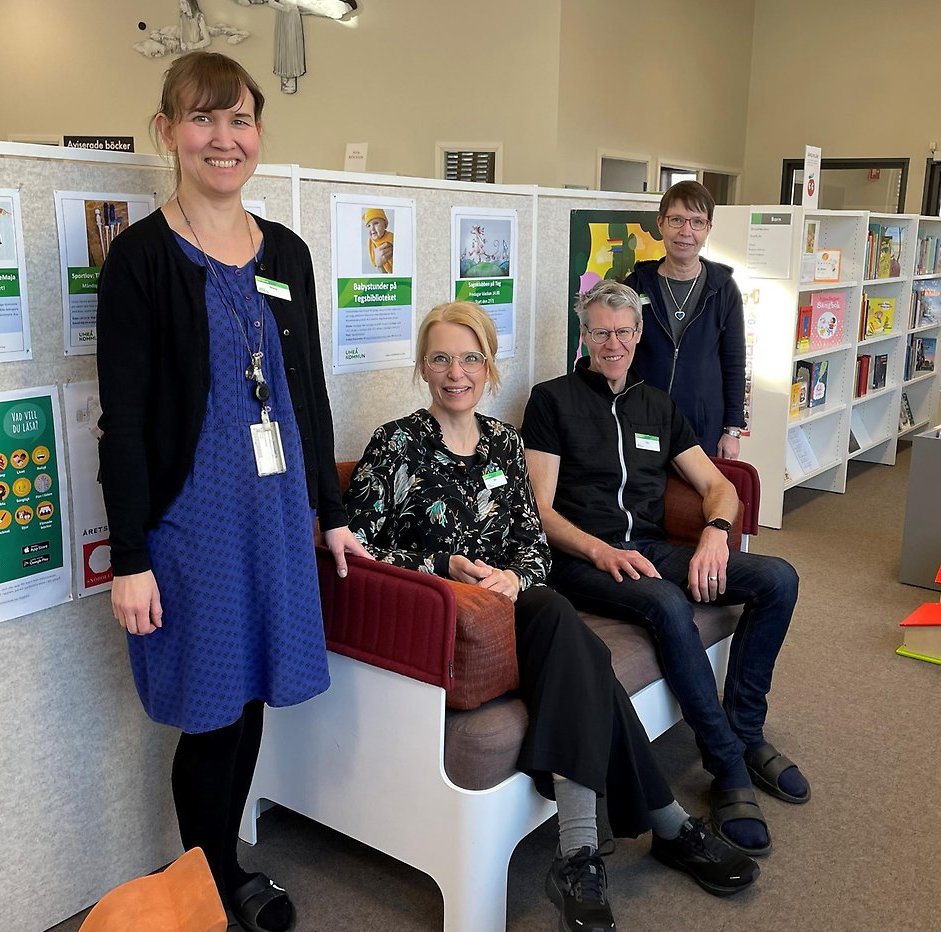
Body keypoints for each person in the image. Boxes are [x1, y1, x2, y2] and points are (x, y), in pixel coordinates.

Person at [343, 300, 758, 932]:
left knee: (560, 625)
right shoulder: (397, 443)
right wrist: (445, 565)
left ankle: (580, 857)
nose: (457, 372)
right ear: (424, 368)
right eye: (441, 358)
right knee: (583, 653)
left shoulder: (505, 445)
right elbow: (360, 548)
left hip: (516, 605)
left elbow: (532, 547)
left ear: (490, 368)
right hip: (446, 619)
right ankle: (660, 828)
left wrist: (514, 575)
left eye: (471, 358)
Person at [96, 51, 370, 932]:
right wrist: (131, 557)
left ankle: (219, 865)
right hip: (192, 525)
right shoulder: (140, 259)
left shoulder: (284, 251)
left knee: (250, 694)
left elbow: (309, 393)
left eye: (241, 119)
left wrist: (332, 514)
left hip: (278, 514)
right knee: (210, 708)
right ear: (168, 132)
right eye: (204, 119)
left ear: (260, 132)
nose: (225, 138)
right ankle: (213, 874)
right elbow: (126, 423)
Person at [521, 279, 809, 860]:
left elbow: (718, 486)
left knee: (778, 578)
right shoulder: (551, 400)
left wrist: (714, 534)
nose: (614, 343)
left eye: (624, 332)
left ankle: (746, 731)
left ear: (639, 334)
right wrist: (599, 550)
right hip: (582, 560)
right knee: (669, 602)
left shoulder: (657, 404)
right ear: (584, 336)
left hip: (651, 548)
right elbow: (540, 510)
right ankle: (726, 765)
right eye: (601, 332)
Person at [622, 180, 745, 458]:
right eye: (677, 219)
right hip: (643, 421)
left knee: (696, 498)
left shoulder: (723, 288)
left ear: (708, 229)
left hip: (703, 426)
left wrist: (732, 429)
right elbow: (617, 351)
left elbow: (734, 362)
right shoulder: (637, 285)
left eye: (697, 222)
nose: (686, 231)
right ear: (661, 224)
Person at [362, 207, 394, 273]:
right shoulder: (371, 242)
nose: (372, 228)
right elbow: (375, 263)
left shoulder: (391, 237)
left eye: (376, 223)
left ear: (385, 224)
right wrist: (378, 264)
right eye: (369, 226)